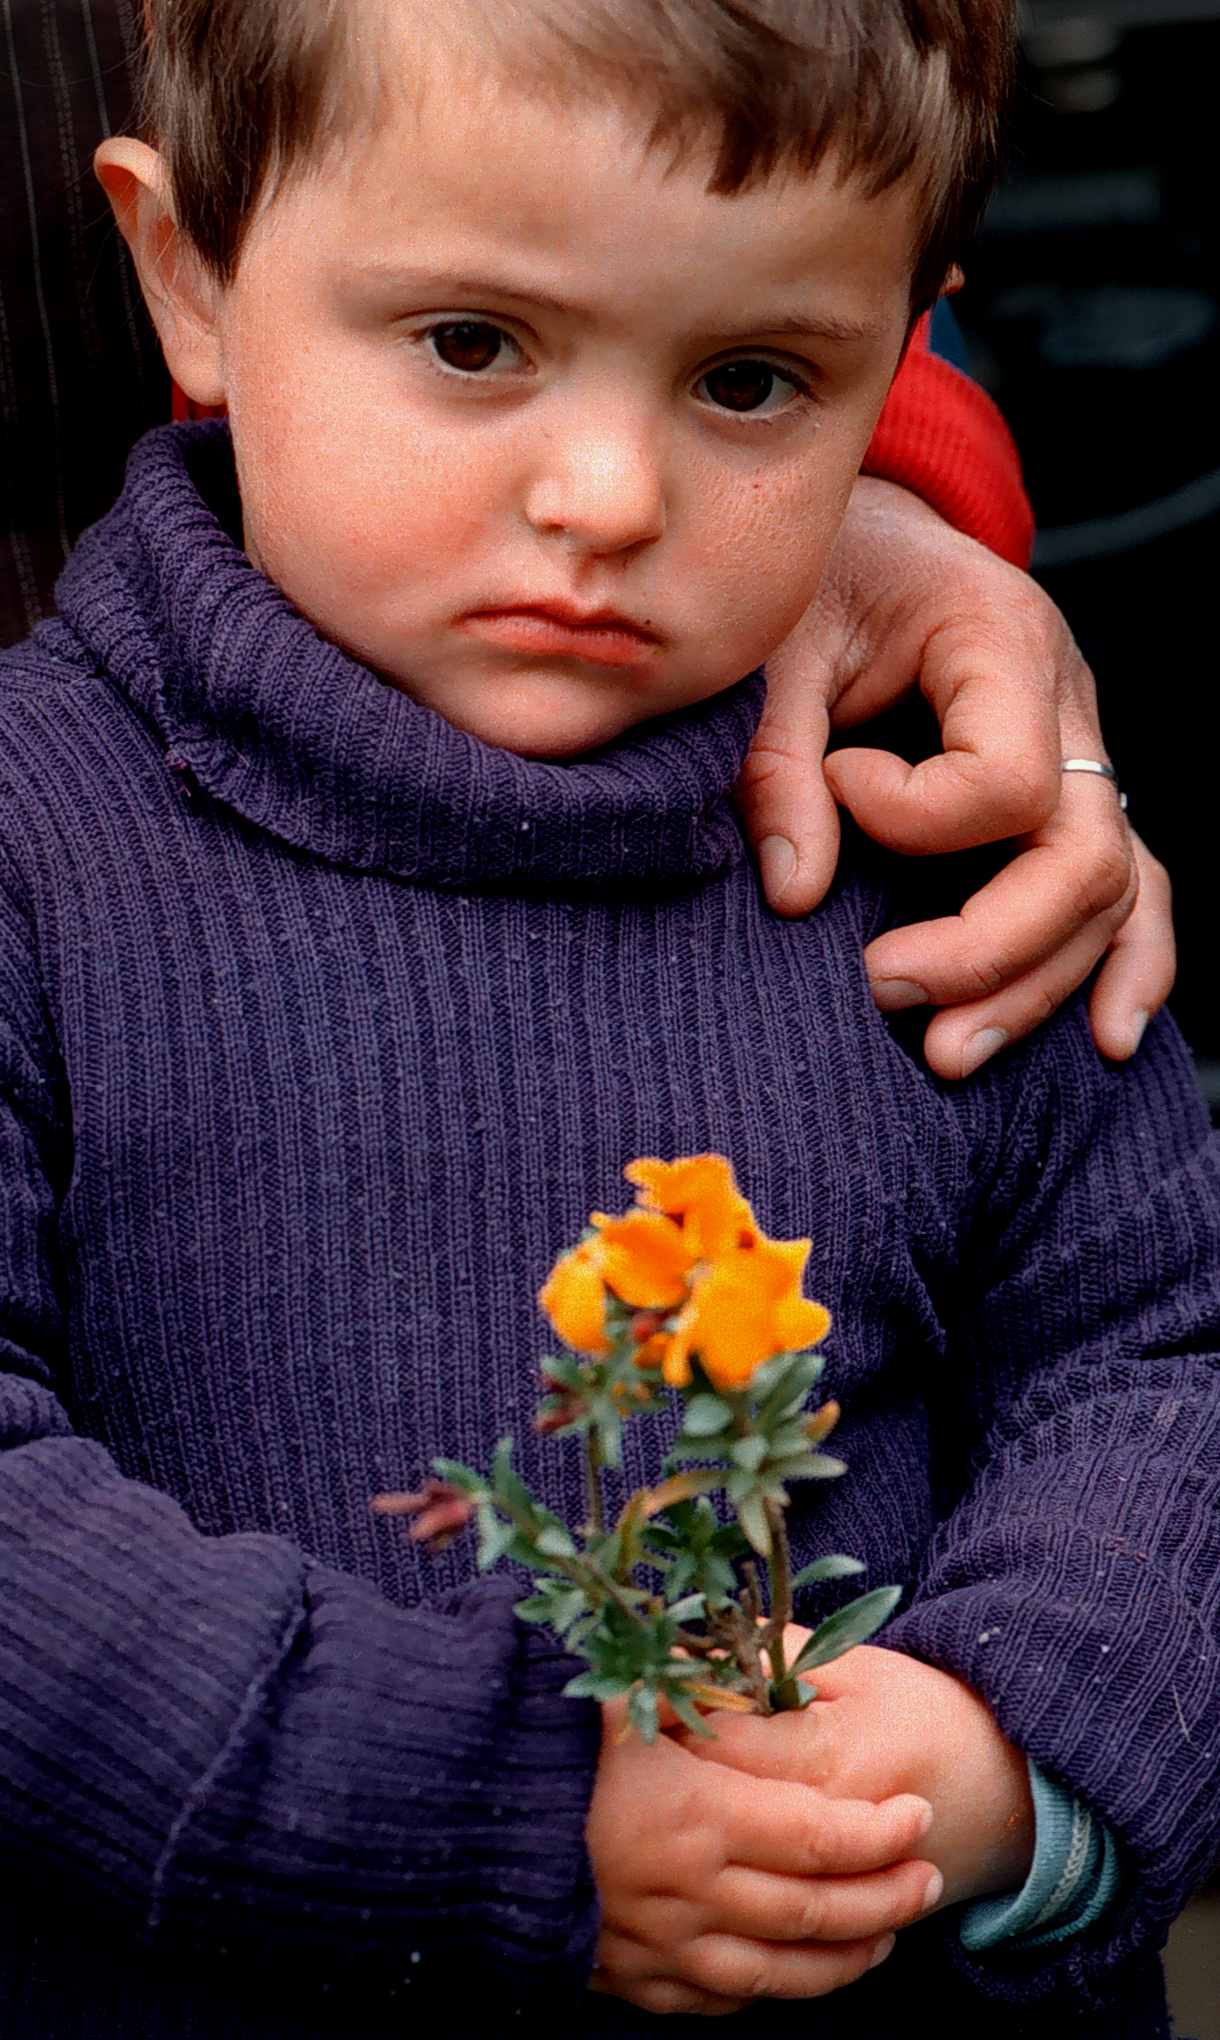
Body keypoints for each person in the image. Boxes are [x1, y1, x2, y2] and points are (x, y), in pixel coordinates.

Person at [0, 6, 1213, 2040]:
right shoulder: (40, 853)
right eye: (473, 343)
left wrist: (1003, 1760)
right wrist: (498, 1810)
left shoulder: (931, 848)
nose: (607, 492)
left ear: (905, 343)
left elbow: (1161, 1351)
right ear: (191, 271)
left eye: (751, 378)